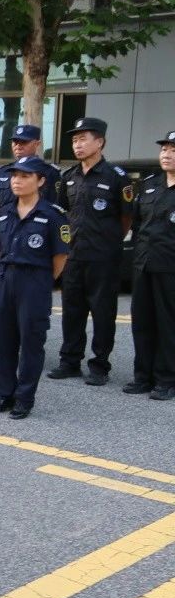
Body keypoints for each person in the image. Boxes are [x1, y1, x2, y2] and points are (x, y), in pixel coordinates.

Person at [0, 156, 71, 419]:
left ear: (41, 181)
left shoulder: (53, 215)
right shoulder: (4, 212)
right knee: (5, 341)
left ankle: (24, 399)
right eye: (14, 176)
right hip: (5, 279)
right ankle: (3, 394)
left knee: (31, 343)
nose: (17, 181)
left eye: (24, 176)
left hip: (34, 282)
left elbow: (60, 258)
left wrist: (41, 281)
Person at [48, 116, 133, 386]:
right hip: (74, 256)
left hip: (103, 258)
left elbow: (126, 218)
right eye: (75, 140)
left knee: (103, 312)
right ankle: (70, 361)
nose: (77, 144)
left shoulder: (117, 177)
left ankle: (99, 365)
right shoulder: (68, 177)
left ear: (100, 142)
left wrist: (108, 241)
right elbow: (62, 215)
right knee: (72, 310)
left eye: (83, 139)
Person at [0, 123, 61, 362]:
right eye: (15, 142)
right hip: (4, 243)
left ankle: (26, 349)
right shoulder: (4, 172)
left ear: (37, 144)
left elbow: (55, 211)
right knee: (0, 299)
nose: (18, 146)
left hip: (33, 246)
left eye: (23, 142)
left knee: (29, 307)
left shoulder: (48, 173)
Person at [124, 132, 175, 401]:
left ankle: (167, 379)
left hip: (170, 267)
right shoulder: (150, 185)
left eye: (173, 150)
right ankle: (143, 376)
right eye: (164, 149)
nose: (167, 154)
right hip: (143, 264)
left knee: (168, 324)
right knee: (142, 321)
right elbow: (137, 223)